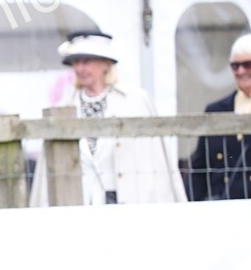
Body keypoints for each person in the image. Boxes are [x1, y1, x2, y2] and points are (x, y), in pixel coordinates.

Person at [29, 31, 186, 206]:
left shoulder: (135, 100)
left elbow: (155, 160)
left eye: (86, 62)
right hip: (79, 202)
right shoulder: (63, 106)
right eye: (76, 62)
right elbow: (48, 168)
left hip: (125, 200)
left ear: (105, 64)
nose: (80, 69)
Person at [188, 32, 251, 200]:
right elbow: (200, 167)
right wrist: (192, 207)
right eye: (235, 66)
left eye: (249, 64)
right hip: (223, 207)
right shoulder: (216, 110)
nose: (241, 71)